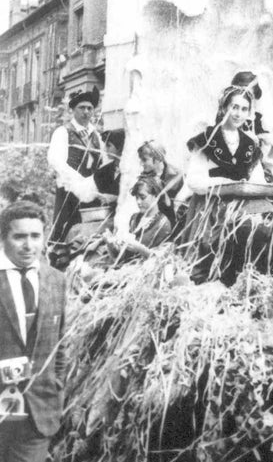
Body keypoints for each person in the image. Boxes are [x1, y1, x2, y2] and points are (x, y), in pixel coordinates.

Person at [0, 200, 66, 462]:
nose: (29, 245)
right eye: (19, 237)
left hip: (39, 409)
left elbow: (60, 345)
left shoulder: (56, 280)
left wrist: (56, 387)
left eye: (35, 236)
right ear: (4, 237)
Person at [183, 84, 268, 281]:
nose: (238, 114)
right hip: (211, 208)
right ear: (224, 108)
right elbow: (194, 181)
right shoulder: (207, 139)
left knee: (259, 230)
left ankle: (244, 278)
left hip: (243, 206)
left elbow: (258, 180)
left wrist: (250, 187)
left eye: (244, 109)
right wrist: (223, 183)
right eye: (234, 107)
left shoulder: (250, 143)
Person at [47, 86, 110, 253]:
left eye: (90, 108)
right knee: (64, 231)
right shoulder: (63, 132)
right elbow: (56, 161)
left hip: (91, 193)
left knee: (88, 233)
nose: (86, 112)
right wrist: (78, 182)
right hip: (70, 191)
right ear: (73, 110)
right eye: (82, 108)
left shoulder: (96, 135)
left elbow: (103, 162)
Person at [103, 175, 172, 263]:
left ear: (156, 196)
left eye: (143, 197)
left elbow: (161, 260)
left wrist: (140, 249)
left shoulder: (163, 224)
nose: (138, 202)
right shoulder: (135, 218)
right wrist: (110, 244)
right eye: (136, 198)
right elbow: (124, 258)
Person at [136, 140, 184, 226]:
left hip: (170, 222)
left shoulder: (175, 176)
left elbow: (175, 206)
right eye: (141, 160)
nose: (141, 163)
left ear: (158, 158)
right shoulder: (146, 174)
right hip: (152, 220)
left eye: (145, 160)